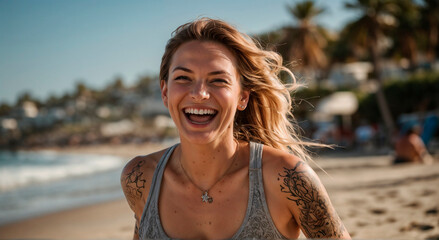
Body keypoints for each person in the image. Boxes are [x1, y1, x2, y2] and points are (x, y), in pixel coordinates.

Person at [121, 18, 350, 239]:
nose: (199, 93)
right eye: (183, 77)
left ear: (242, 97)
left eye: (218, 80)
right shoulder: (140, 178)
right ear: (164, 92)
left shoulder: (286, 177)